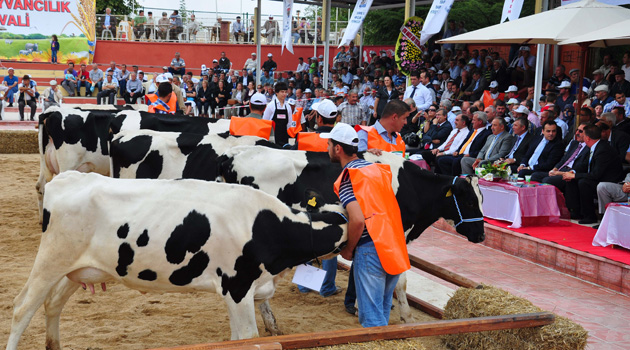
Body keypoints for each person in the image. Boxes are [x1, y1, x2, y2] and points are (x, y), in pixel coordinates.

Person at [320, 122, 409, 327]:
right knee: (382, 312)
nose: (327, 148)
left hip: (372, 247)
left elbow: (358, 219)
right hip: (394, 245)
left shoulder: (349, 176)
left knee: (371, 320)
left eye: (328, 144)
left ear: (338, 148)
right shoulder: (377, 169)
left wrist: (349, 249)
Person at [560, 125, 624, 225]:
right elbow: (587, 166)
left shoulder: (603, 149)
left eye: (583, 134)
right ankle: (575, 211)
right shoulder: (596, 146)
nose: (580, 136)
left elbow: (596, 174)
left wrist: (576, 176)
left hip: (609, 181)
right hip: (598, 177)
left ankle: (589, 216)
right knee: (572, 179)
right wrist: (574, 173)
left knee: (584, 183)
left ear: (588, 138)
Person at [437, 111, 492, 175]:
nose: (472, 122)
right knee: (441, 159)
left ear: (480, 122)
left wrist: (470, 154)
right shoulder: (472, 131)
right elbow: (464, 143)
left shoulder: (487, 134)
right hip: (460, 154)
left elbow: (483, 150)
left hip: (470, 156)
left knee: (456, 161)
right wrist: (457, 151)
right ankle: (447, 178)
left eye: (474, 120)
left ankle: (455, 180)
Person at [263, 82, 293, 146]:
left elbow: (289, 123)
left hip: (284, 137)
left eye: (285, 92)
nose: (284, 94)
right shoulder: (271, 106)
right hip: (273, 138)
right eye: (282, 92)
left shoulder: (288, 106)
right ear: (276, 92)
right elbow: (265, 121)